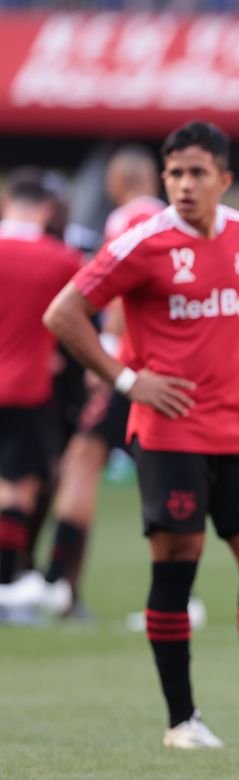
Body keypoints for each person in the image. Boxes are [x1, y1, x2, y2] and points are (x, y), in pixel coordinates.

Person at [44, 120, 239, 750]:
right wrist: (127, 380)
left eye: (196, 172)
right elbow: (63, 313)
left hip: (237, 433)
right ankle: (182, 721)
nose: (182, 184)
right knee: (176, 565)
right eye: (174, 172)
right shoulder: (143, 242)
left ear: (224, 179)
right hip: (168, 434)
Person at [29, 145, 167, 618]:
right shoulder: (173, 221)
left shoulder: (127, 222)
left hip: (132, 371)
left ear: (116, 182)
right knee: (161, 474)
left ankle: (58, 584)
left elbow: (120, 292)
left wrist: (105, 356)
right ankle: (172, 592)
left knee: (82, 462)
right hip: (166, 368)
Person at [0, 171, 83, 615]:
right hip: (25, 388)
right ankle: (7, 582)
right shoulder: (62, 259)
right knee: (16, 489)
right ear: (47, 210)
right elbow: (88, 314)